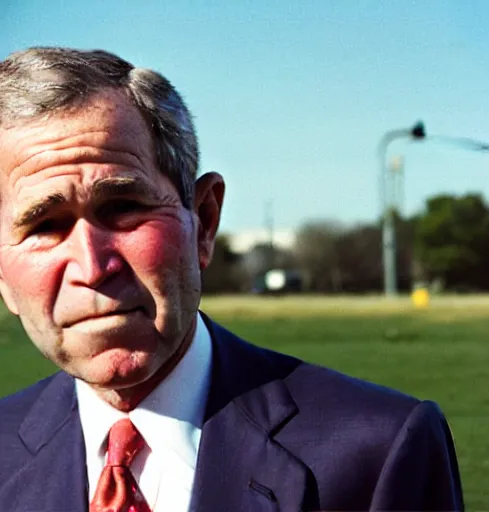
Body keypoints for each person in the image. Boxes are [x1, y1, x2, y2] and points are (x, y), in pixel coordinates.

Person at [0, 46, 463, 512]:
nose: (93, 267)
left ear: (203, 221)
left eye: (123, 208)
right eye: (45, 226)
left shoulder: (381, 451)